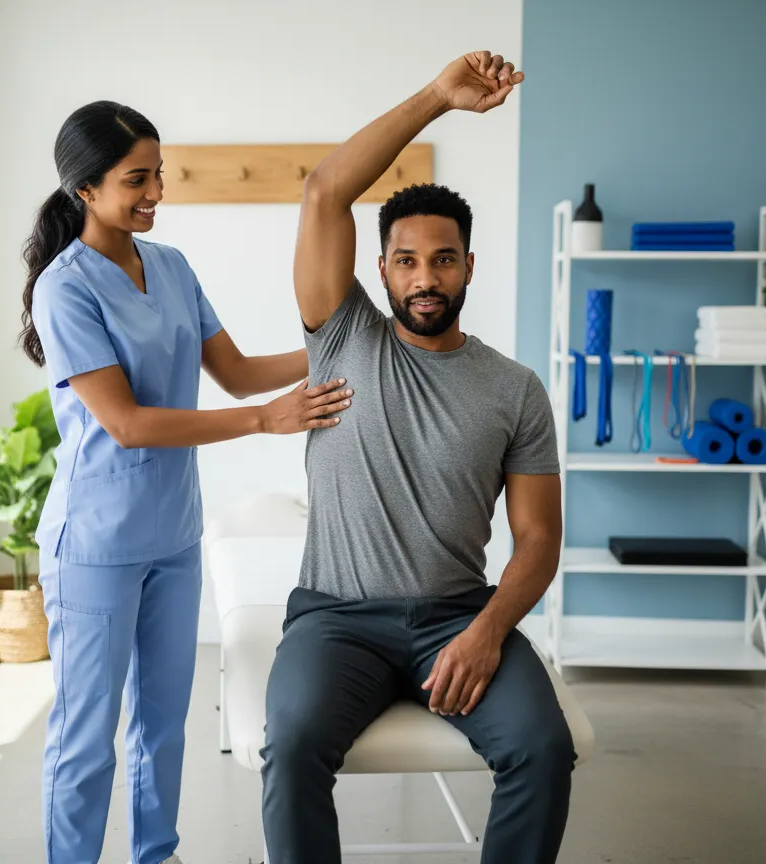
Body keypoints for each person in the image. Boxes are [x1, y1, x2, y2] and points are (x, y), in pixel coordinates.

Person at [260, 51, 576, 864]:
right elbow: (326, 190)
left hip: (456, 617)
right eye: (406, 260)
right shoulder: (341, 337)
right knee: (291, 747)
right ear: (381, 271)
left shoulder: (515, 389)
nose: (425, 277)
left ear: (469, 265)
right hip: (335, 620)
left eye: (443, 259)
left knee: (543, 749)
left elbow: (538, 540)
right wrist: (439, 96)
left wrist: (488, 631)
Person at [19, 100, 353, 864]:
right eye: (137, 179)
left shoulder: (170, 267)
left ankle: (155, 854)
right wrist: (266, 423)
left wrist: (341, 344)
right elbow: (128, 422)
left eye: (159, 174)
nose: (156, 193)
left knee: (164, 722)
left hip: (173, 534)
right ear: (86, 189)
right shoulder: (65, 287)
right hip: (96, 543)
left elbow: (234, 373)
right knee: (86, 737)